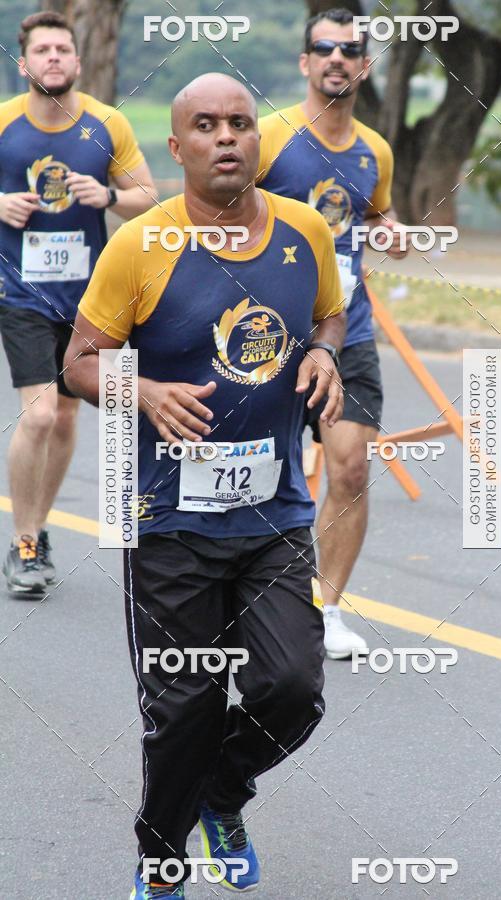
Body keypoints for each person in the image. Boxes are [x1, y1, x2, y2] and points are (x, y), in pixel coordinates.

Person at [64, 73, 346, 898]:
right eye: (207, 125)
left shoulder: (304, 230)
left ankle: (223, 794)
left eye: (240, 123)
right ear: (177, 146)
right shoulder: (139, 245)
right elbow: (78, 363)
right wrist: (143, 391)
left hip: (274, 517)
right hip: (167, 522)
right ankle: (162, 861)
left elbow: (330, 314)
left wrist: (325, 351)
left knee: (291, 689)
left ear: (259, 139)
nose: (226, 137)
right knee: (182, 709)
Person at [257, 7, 409, 659]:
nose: (336, 59)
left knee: (349, 469)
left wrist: (391, 232)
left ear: (364, 66)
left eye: (349, 50)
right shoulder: (269, 137)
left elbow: (377, 215)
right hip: (266, 337)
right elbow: (219, 213)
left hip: (348, 332)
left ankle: (327, 609)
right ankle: (243, 599)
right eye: (324, 48)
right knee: (260, 472)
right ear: (305, 62)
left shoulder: (375, 150)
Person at [0, 11, 156, 596]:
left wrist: (109, 195)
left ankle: (37, 529)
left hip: (91, 299)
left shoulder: (107, 123)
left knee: (67, 416)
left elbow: (148, 196)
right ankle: (22, 543)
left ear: (78, 61)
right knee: (40, 414)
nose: (54, 58)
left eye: (62, 49)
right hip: (20, 290)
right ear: (25, 64)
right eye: (43, 50)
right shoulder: (4, 123)